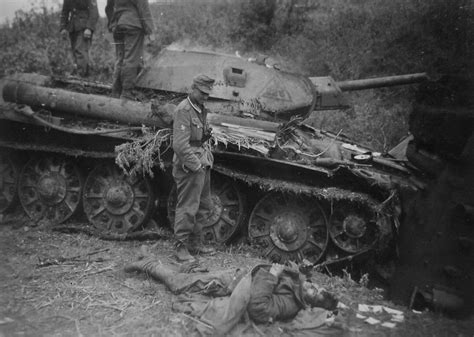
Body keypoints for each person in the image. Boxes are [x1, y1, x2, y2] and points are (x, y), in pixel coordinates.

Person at [124, 257, 339, 335]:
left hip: (234, 287)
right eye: (316, 286)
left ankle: (148, 264)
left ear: (309, 302)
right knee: (191, 278)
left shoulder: (290, 305)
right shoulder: (301, 284)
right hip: (238, 278)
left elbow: (259, 309)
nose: (313, 286)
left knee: (179, 284)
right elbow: (295, 275)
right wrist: (303, 270)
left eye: (315, 292)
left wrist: (272, 276)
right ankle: (150, 259)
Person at [171, 74, 216, 262]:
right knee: (188, 207)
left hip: (202, 163)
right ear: (193, 88)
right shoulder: (184, 110)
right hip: (190, 166)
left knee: (204, 206)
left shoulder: (200, 109)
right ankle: (180, 247)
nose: (205, 96)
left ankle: (195, 243)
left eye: (208, 93)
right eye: (202, 92)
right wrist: (196, 165)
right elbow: (180, 146)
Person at [105, 0, 155, 99]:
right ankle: (127, 92)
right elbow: (143, 8)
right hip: (133, 24)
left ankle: (116, 90)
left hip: (118, 25)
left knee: (120, 58)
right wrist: (150, 31)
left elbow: (108, 8)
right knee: (131, 58)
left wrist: (112, 23)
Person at [60, 0, 99, 77]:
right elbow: (65, 12)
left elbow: (94, 13)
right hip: (72, 27)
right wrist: (63, 27)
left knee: (80, 50)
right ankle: (82, 74)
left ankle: (81, 75)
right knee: (74, 51)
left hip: (84, 28)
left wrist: (89, 28)